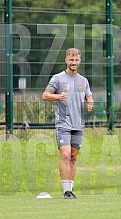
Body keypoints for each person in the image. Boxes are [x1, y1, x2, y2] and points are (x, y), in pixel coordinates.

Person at [42, 48, 94, 199]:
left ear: (79, 61)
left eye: (76, 60)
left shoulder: (83, 81)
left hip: (78, 125)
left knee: (73, 157)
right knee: (65, 154)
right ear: (66, 61)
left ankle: (70, 190)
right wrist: (58, 96)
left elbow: (89, 97)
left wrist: (90, 103)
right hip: (63, 124)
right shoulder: (57, 78)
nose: (74, 62)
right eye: (71, 60)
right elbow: (45, 95)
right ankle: (66, 191)